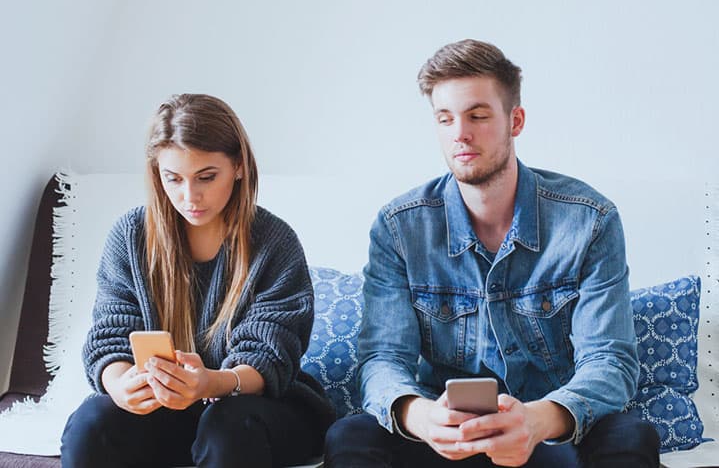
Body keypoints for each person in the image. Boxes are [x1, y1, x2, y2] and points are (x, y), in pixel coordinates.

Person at [325, 40, 660, 467]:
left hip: (549, 430)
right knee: (350, 436)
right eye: (445, 119)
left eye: (477, 116)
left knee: (630, 437)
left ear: (514, 120)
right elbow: (382, 359)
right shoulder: (399, 227)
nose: (460, 133)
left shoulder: (590, 221)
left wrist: (538, 420)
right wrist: (424, 417)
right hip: (443, 438)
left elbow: (610, 359)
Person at [61, 94, 334, 467]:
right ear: (157, 174)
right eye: (173, 179)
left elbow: (270, 355)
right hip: (167, 412)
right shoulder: (131, 236)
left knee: (226, 425)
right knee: (92, 423)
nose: (190, 197)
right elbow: (110, 336)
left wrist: (211, 383)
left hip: (259, 411)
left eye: (207, 177)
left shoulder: (274, 243)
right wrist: (121, 386)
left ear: (238, 166)